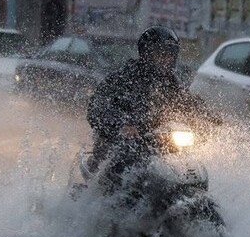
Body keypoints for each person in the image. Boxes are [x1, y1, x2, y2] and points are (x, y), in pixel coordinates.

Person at [86, 26, 219, 189]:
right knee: (121, 166)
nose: (166, 59)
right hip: (121, 141)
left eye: (170, 54)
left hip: (156, 143)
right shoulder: (124, 77)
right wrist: (121, 124)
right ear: (146, 54)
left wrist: (210, 119)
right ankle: (109, 206)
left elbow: (189, 102)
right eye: (160, 53)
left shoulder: (171, 82)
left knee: (186, 161)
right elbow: (97, 105)